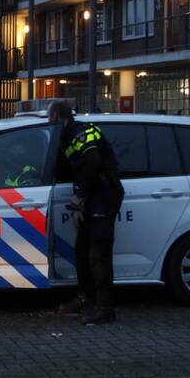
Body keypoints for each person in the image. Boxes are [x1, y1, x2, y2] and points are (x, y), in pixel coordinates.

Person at [48, 100, 124, 325]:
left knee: (98, 253)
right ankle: (87, 300)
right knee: (82, 251)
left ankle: (105, 308)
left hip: (104, 195)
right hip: (91, 197)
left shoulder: (83, 133)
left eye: (50, 118)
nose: (49, 122)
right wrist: (79, 203)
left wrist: (80, 195)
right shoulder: (65, 137)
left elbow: (93, 163)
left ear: (56, 116)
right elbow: (75, 171)